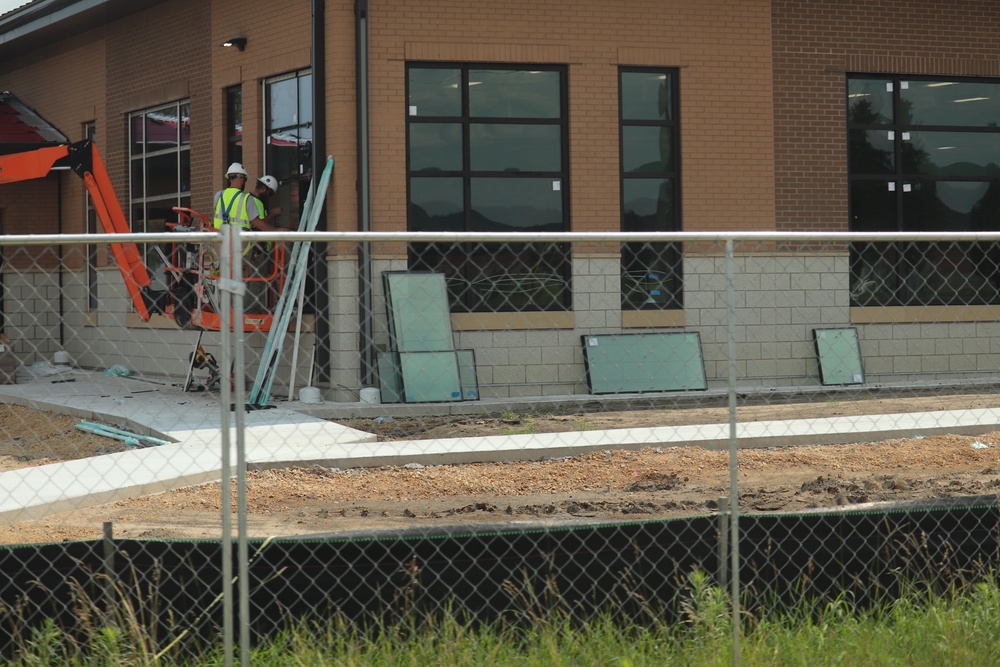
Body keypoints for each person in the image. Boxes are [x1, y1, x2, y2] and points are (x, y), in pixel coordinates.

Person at [212, 163, 281, 312]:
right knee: (255, 273)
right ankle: (252, 309)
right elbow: (258, 224)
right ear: (242, 179)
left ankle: (228, 307)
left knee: (230, 275)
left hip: (224, 244)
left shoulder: (219, 196)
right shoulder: (246, 200)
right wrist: (279, 231)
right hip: (243, 246)